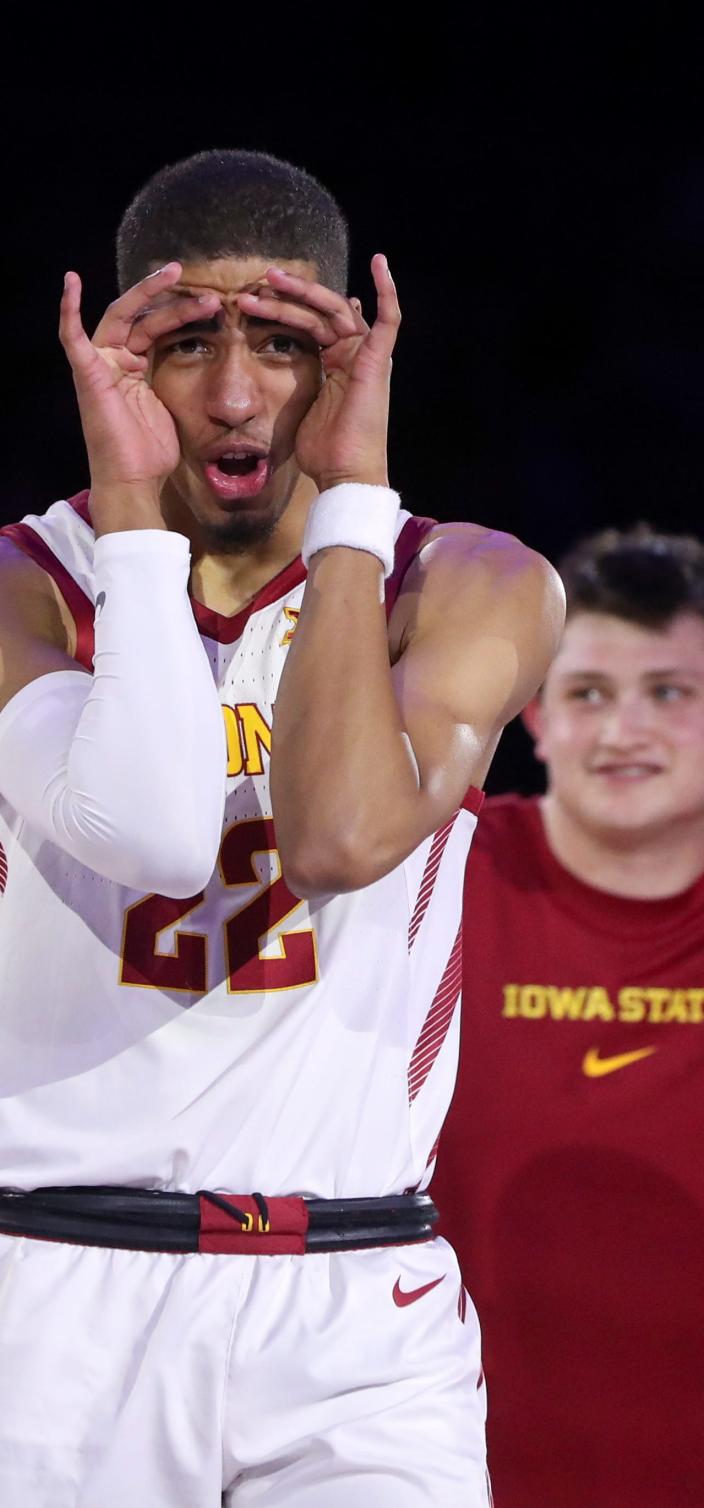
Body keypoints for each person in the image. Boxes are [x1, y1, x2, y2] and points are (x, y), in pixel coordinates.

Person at [0, 148, 561, 1506]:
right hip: (74, 1299)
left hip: (360, 1303)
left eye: (284, 341)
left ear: (351, 359)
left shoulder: (469, 584)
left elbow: (339, 836)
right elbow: (150, 831)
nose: (240, 393)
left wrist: (352, 517)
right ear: (115, 358)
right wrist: (132, 519)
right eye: (188, 342)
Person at [434, 525, 704, 1507]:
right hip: (445, 1475)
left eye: (669, 692)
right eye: (587, 693)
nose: (622, 729)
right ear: (536, 715)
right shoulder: (430, 882)